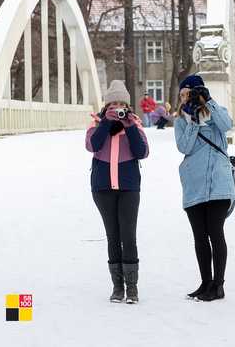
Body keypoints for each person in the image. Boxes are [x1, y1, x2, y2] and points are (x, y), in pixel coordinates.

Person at [85, 80, 149, 304]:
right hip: (102, 189)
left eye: (122, 104)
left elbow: (142, 152)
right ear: (107, 105)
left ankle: (132, 288)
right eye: (113, 104)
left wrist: (129, 126)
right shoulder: (96, 124)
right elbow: (92, 146)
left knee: (128, 236)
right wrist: (105, 123)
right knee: (113, 236)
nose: (118, 108)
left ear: (128, 106)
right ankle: (117, 287)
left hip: (129, 188)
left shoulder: (135, 125)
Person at [174, 74, 235, 302]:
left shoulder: (215, 113)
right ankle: (205, 282)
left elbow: (228, 126)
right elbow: (184, 147)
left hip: (218, 184)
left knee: (215, 233)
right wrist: (192, 122)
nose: (184, 99)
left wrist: (207, 102)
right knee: (200, 237)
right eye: (182, 95)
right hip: (194, 186)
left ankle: (218, 285)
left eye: (189, 94)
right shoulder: (181, 121)